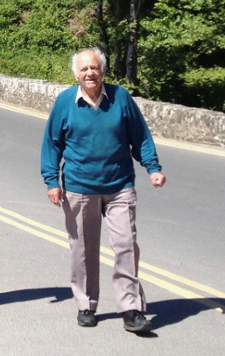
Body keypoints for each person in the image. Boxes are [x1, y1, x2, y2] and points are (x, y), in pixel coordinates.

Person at [41, 47, 166, 333]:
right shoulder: (65, 102)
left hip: (119, 185)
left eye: (94, 68)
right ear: (76, 74)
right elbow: (52, 144)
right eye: (84, 69)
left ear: (103, 71)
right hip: (80, 186)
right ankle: (86, 305)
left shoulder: (121, 98)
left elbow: (140, 137)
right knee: (83, 250)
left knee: (126, 245)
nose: (90, 73)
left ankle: (131, 309)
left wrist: (153, 167)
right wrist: (52, 181)